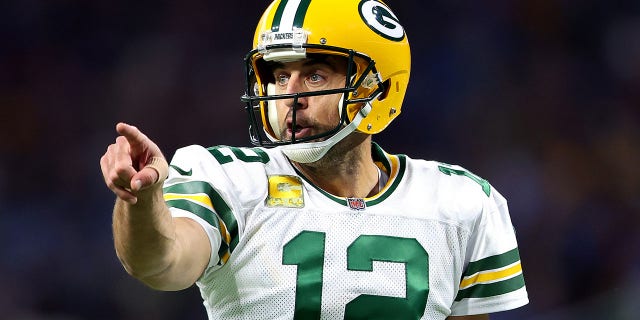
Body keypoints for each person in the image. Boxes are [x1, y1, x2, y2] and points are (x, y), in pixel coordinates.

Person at [100, 0, 529, 319]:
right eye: (280, 75)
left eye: (315, 75)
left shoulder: (461, 202)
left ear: (379, 89)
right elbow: (160, 264)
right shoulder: (229, 180)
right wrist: (141, 202)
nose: (290, 96)